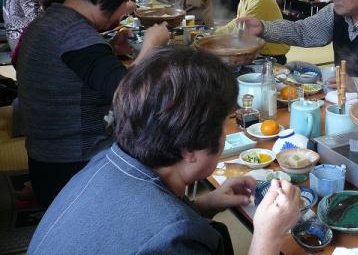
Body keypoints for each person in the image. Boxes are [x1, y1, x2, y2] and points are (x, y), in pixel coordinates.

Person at [28, 46, 300, 254]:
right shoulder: (174, 241)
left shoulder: (105, 160)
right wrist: (268, 237)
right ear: (189, 150)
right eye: (221, 125)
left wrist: (205, 205)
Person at [17, 0, 170, 207]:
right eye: (125, 0)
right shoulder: (77, 37)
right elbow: (128, 95)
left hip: (44, 158)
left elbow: (71, 70)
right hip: (75, 167)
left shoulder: (52, 21)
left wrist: (107, 48)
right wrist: (150, 46)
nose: (127, 8)